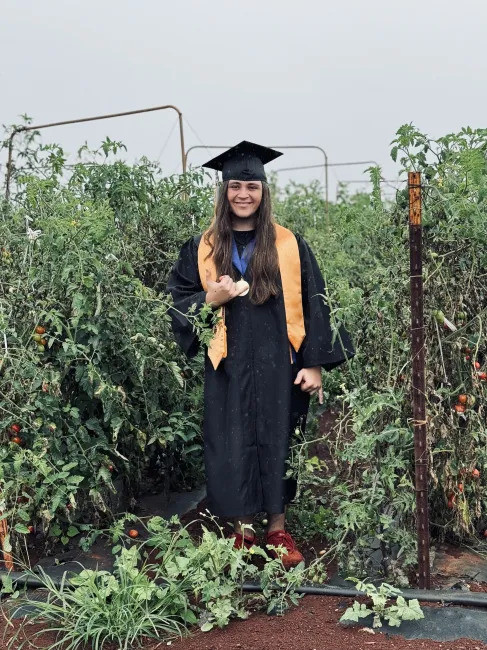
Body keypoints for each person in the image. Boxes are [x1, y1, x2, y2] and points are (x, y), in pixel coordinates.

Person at [167, 141, 354, 568]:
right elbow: (178, 299)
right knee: (229, 442)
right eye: (236, 186)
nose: (244, 194)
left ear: (264, 192)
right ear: (224, 191)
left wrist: (314, 362)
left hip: (279, 365)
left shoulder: (289, 245)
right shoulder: (204, 246)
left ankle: (278, 529)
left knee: (279, 442)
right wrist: (209, 299)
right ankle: (242, 532)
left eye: (252, 185)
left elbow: (315, 301)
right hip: (227, 365)